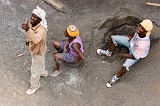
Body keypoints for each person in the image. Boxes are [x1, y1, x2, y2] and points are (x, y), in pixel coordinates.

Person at [97, 19, 153, 88]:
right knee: (113, 38)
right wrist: (129, 37)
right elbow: (136, 37)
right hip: (132, 44)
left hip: (135, 53)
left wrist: (124, 55)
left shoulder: (143, 45)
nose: (139, 28)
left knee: (126, 66)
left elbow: (135, 56)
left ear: (146, 31)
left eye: (142, 28)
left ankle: (115, 78)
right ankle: (108, 52)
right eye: (140, 26)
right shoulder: (140, 32)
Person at [22, 6, 48, 95]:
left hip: (38, 51)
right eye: (32, 15)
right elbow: (31, 35)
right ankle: (43, 72)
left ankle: (34, 86)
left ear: (40, 20)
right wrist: (28, 41)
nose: (32, 18)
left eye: (35, 17)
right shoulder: (33, 24)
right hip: (41, 49)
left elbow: (36, 39)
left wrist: (28, 29)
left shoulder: (41, 30)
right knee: (41, 60)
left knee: (34, 70)